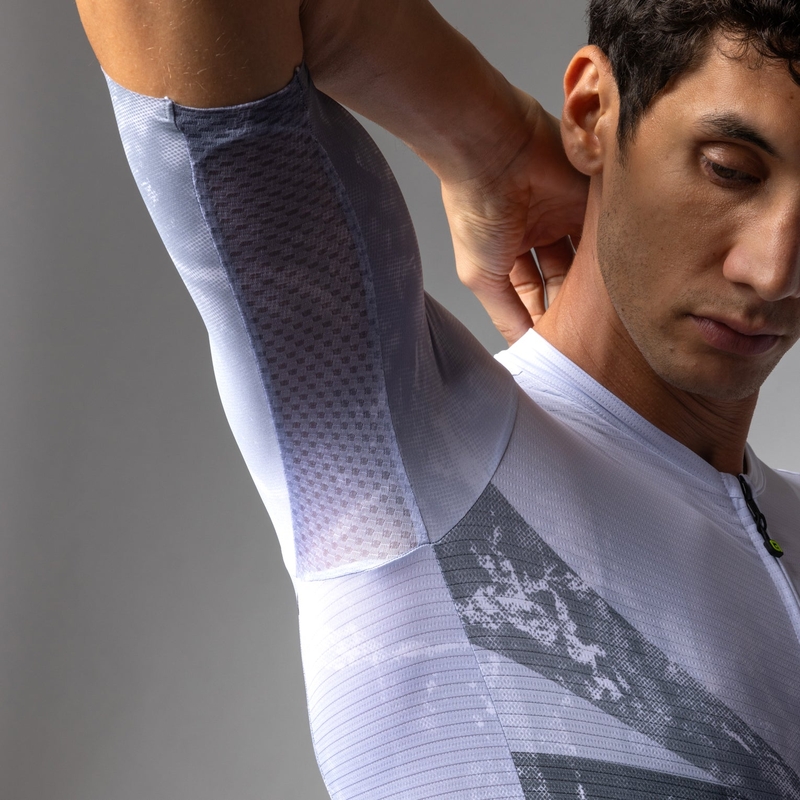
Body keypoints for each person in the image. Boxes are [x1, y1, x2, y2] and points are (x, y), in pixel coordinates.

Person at [75, 0, 800, 797]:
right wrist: (494, 141)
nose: (775, 272)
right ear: (594, 111)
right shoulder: (411, 451)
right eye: (730, 169)